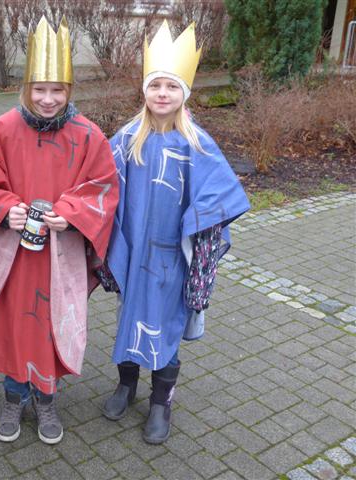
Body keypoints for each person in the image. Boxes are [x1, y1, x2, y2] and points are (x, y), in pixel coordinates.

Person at [0, 17, 118, 445]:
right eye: (39, 89)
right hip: (14, 256)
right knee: (14, 326)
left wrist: (70, 212)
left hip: (60, 254)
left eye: (57, 90)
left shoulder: (88, 135)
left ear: (69, 90)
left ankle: (47, 399)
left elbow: (104, 186)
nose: (48, 99)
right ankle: (14, 397)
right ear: (26, 88)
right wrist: (5, 209)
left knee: (51, 326)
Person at [100, 21, 250, 444]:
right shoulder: (127, 139)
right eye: (155, 85)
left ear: (184, 92)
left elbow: (216, 202)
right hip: (133, 252)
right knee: (130, 318)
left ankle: (160, 402)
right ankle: (126, 385)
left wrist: (200, 262)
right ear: (144, 91)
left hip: (172, 258)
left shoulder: (197, 145)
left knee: (165, 326)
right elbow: (100, 187)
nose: (162, 93)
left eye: (171, 86)